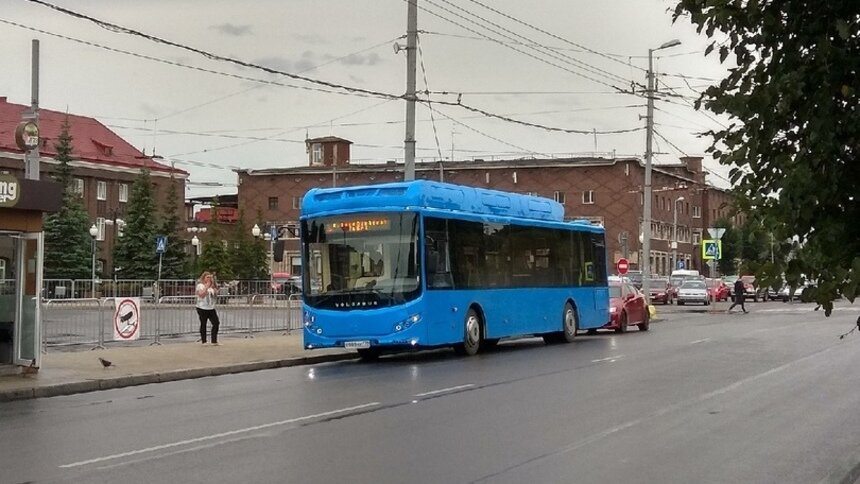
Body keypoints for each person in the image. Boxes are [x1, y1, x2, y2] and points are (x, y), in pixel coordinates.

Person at [196, 271, 221, 344]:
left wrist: (215, 288)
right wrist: (207, 286)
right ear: (203, 278)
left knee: (216, 323)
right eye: (207, 277)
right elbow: (201, 295)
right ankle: (204, 341)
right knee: (203, 323)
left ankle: (214, 340)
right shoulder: (200, 285)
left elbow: (215, 295)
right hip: (202, 307)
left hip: (211, 307)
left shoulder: (211, 287)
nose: (209, 279)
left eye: (210, 277)